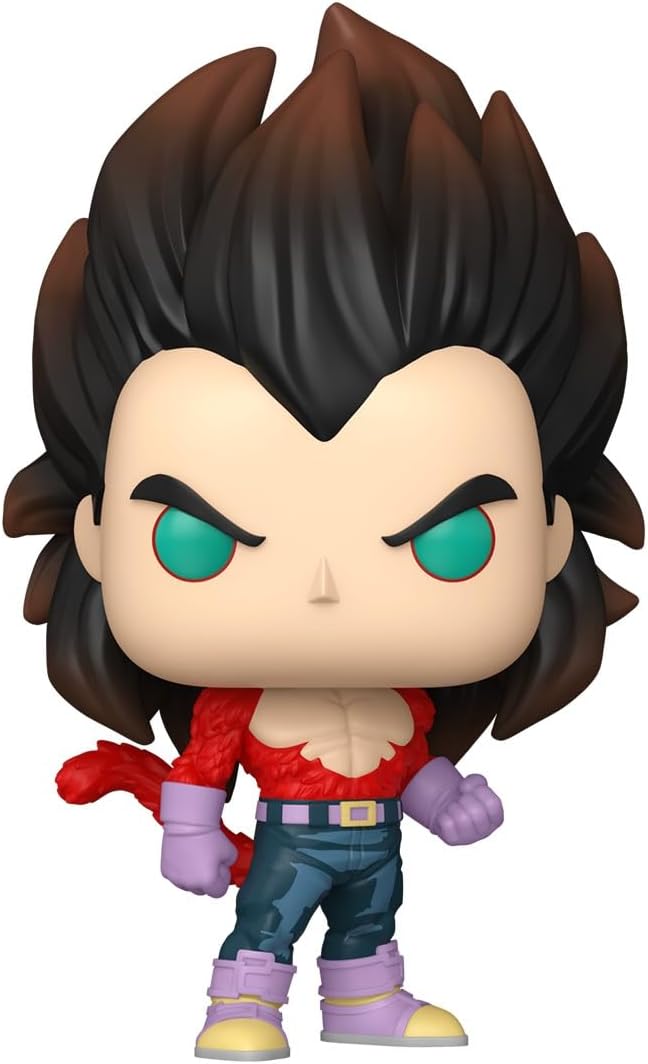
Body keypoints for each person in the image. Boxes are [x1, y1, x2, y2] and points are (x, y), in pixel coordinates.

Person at [4, 4, 643, 1060]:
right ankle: (243, 1005)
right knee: (266, 924)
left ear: (548, 535)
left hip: (374, 842)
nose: (325, 587)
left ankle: (363, 1004)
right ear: (99, 534)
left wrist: (447, 795)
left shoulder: (408, 703)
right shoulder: (238, 701)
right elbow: (205, 763)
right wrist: (188, 827)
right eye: (200, 540)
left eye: (446, 540)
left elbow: (416, 761)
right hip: (288, 842)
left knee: (370, 921)